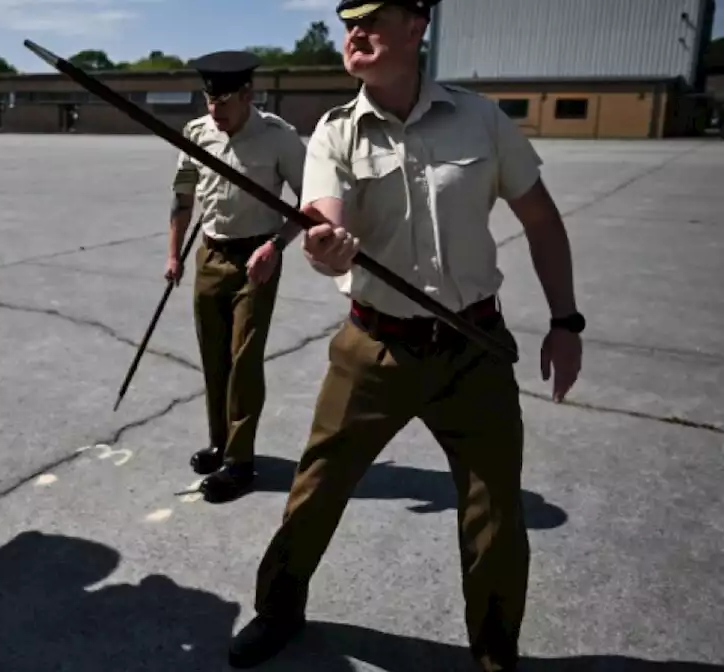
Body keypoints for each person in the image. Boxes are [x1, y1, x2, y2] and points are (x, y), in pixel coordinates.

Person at [227, 1, 585, 669]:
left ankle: (495, 653)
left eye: (373, 18)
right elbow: (322, 215)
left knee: (495, 517)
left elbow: (541, 219)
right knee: (316, 490)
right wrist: (326, 247)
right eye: (346, 21)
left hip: (472, 350)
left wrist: (566, 320)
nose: (354, 33)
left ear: (416, 26)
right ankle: (278, 610)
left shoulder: (480, 120)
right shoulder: (336, 132)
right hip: (373, 349)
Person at [168, 50, 308, 504]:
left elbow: (310, 204)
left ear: (248, 95)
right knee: (214, 358)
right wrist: (174, 255)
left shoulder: (279, 138)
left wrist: (276, 246)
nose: (216, 111)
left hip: (257, 258)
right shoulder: (196, 133)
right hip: (210, 254)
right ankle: (221, 443)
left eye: (224, 102)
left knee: (243, 360)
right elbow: (182, 198)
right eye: (210, 101)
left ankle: (241, 462)